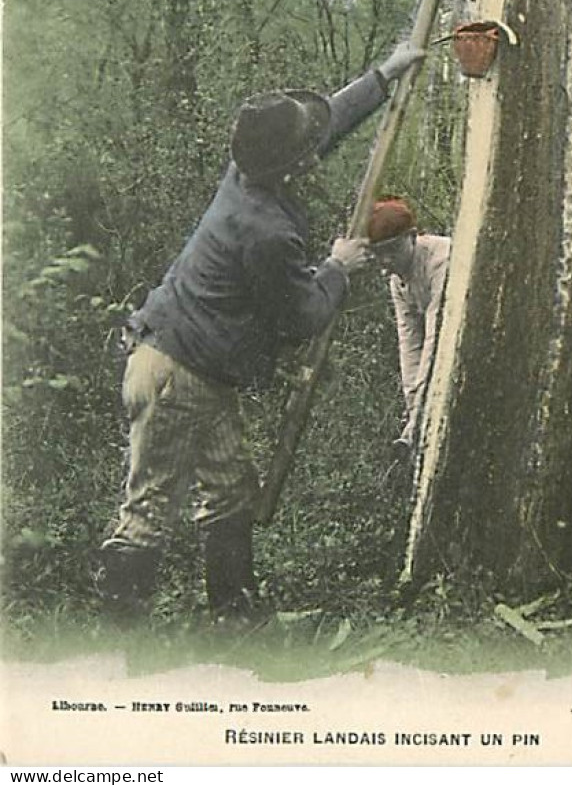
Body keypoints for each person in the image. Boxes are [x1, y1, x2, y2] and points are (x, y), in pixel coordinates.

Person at [98, 43, 423, 623]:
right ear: (291, 165)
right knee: (148, 507)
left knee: (228, 490)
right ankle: (117, 642)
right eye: (305, 150)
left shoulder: (249, 170)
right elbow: (298, 318)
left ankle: (235, 614)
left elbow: (324, 125)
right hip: (176, 373)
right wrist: (337, 270)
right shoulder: (267, 232)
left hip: (192, 369)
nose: (314, 153)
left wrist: (383, 76)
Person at [368, 198, 451, 459]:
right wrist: (413, 404)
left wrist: (422, 401)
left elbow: (435, 335)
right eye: (379, 254)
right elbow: (410, 342)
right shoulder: (398, 280)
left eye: (392, 250)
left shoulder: (441, 260)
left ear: (412, 236)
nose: (386, 262)